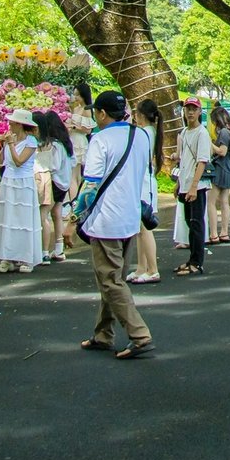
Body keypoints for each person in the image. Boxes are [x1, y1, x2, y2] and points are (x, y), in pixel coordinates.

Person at [70, 90, 152, 359]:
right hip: (130, 216)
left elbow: (90, 184)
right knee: (112, 278)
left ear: (102, 113)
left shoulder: (100, 139)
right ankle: (103, 334)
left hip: (106, 219)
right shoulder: (140, 135)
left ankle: (139, 334)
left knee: (110, 281)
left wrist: (74, 216)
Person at [0, 109, 41, 274]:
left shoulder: (30, 141)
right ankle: (7, 256)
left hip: (24, 182)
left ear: (20, 124)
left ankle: (26, 257)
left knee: (23, 218)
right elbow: (2, 162)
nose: (9, 124)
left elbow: (19, 161)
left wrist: (11, 144)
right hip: (9, 181)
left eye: (12, 122)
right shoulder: (8, 139)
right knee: (8, 217)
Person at [175, 95, 213, 276]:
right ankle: (191, 258)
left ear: (199, 112)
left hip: (196, 186)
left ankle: (197, 262)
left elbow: (202, 161)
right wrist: (180, 184)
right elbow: (183, 160)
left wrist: (193, 186)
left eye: (193, 109)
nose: (190, 112)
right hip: (185, 184)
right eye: (187, 108)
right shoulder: (184, 132)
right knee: (189, 222)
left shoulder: (202, 133)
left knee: (196, 223)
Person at [34, 111, 74, 264]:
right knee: (56, 213)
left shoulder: (55, 145)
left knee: (43, 214)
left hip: (54, 183)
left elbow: (54, 166)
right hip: (63, 184)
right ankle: (59, 248)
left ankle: (43, 251)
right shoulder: (65, 143)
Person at [133, 99, 165, 280]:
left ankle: (152, 269)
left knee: (145, 228)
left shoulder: (143, 133)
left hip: (143, 182)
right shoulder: (150, 132)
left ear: (141, 115)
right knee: (140, 228)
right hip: (145, 181)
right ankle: (141, 267)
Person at [208, 105, 230, 243]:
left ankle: (214, 233)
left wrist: (209, 143)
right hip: (229, 168)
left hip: (220, 168)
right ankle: (224, 232)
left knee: (211, 202)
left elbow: (222, 151)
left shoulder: (224, 132)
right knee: (224, 202)